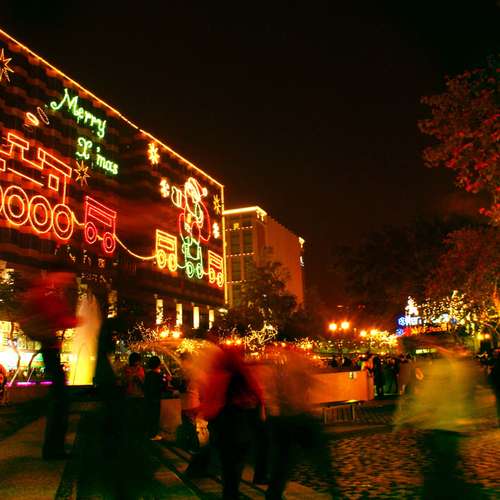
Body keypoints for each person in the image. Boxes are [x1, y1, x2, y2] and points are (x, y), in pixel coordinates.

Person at [22, 271, 79, 460]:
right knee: (60, 400)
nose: (67, 281)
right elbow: (61, 317)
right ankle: (53, 449)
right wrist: (75, 320)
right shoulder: (44, 295)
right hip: (50, 350)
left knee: (59, 399)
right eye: (65, 277)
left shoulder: (43, 294)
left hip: (50, 349)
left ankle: (54, 447)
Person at [144, 356, 166, 441]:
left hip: (148, 399)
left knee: (150, 417)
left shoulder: (148, 374)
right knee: (155, 417)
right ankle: (153, 435)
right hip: (155, 399)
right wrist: (166, 380)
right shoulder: (157, 375)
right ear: (158, 364)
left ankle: (149, 433)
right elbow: (162, 387)